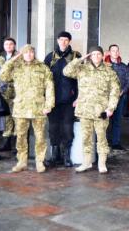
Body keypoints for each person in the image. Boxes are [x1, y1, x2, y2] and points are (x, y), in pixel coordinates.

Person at [63, 46, 120, 173]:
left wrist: (111, 108)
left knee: (101, 138)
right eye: (93, 54)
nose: (96, 57)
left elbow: (115, 91)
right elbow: (66, 71)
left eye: (98, 54)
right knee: (86, 138)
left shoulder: (109, 71)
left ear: (102, 55)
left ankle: (102, 163)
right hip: (85, 109)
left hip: (101, 111)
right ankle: (87, 162)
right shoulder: (82, 68)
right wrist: (80, 59)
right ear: (89, 56)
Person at [0, 44, 54, 173]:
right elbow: (2, 76)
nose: (29, 54)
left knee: (40, 137)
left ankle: (39, 162)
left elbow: (50, 87)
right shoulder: (16, 67)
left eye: (31, 52)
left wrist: (49, 105)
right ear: (21, 54)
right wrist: (12, 60)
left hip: (38, 108)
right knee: (21, 136)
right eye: (26, 52)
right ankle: (22, 161)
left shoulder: (42, 68)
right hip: (21, 108)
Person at [44, 31, 81, 167]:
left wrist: (78, 97)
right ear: (58, 40)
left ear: (69, 41)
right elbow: (44, 79)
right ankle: (55, 155)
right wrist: (45, 99)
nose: (63, 42)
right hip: (53, 100)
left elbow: (81, 80)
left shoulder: (76, 57)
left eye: (66, 40)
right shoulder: (50, 57)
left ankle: (66, 156)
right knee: (53, 128)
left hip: (69, 100)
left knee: (67, 128)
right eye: (61, 40)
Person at [105, 44, 129, 150]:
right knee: (105, 120)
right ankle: (104, 141)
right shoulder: (105, 66)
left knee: (117, 121)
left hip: (120, 97)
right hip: (106, 98)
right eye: (113, 51)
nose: (115, 53)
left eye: (117, 51)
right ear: (109, 52)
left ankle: (116, 142)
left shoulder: (124, 66)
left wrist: (122, 91)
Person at [0, 37, 17, 154]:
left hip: (16, 92)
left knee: (16, 116)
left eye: (11, 44)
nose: (9, 46)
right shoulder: (0, 59)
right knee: (6, 117)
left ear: (14, 46)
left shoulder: (18, 57)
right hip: (3, 92)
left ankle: (16, 144)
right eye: (6, 44)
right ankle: (7, 143)